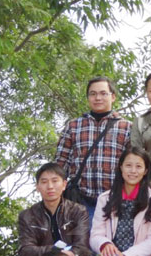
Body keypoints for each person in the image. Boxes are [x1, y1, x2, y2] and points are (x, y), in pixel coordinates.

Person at [55, 76, 132, 221]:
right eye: (93, 94)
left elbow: (133, 165)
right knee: (79, 237)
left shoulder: (126, 127)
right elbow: (60, 163)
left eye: (103, 93)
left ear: (113, 97)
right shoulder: (73, 126)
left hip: (115, 201)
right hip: (80, 201)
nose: (98, 98)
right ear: (88, 97)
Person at [90, 147, 151, 256]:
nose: (133, 171)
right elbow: (96, 234)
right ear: (121, 167)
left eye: (138, 166)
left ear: (146, 170)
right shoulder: (105, 198)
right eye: (128, 165)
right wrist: (105, 244)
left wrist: (126, 255)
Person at [18, 163, 90, 256]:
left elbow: (81, 247)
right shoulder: (27, 216)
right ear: (37, 187)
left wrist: (70, 254)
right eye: (44, 182)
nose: (50, 186)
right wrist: (55, 250)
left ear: (64, 185)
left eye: (55, 181)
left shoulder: (78, 211)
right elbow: (26, 250)